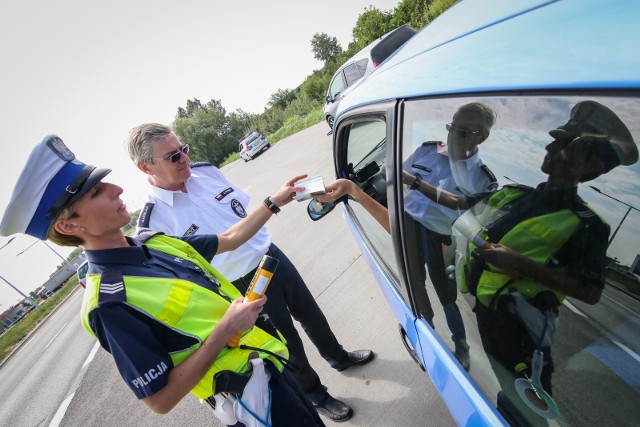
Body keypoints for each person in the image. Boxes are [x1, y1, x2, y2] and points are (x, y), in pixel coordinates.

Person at [0, 135, 324, 427]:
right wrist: (226, 328)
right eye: (97, 192)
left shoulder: (154, 242)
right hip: (250, 402)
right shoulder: (108, 303)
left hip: (272, 365)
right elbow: (160, 400)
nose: (117, 189)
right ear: (69, 227)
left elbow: (229, 237)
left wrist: (273, 201)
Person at [381, 100, 639, 422]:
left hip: (523, 336)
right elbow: (461, 202)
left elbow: (590, 291)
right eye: (554, 139)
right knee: (504, 398)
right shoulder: (515, 194)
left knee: (527, 411)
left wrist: (520, 264)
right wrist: (415, 182)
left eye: (562, 146)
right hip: (486, 318)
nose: (549, 145)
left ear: (590, 168)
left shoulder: (588, 223)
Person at [126, 123, 374, 422]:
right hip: (241, 282)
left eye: (184, 150)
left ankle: (338, 357)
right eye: (173, 157)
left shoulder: (206, 172)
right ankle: (316, 394)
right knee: (287, 344)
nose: (185, 159)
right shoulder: (154, 223)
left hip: (270, 255)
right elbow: (220, 245)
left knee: (311, 315)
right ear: (145, 167)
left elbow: (239, 215)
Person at [401, 102, 498, 370]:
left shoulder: (482, 179)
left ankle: (461, 346)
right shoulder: (426, 150)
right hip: (408, 225)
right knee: (414, 284)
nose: (452, 136)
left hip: (438, 236)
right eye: (452, 128)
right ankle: (426, 333)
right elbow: (396, 178)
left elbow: (459, 204)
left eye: (462, 131)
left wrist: (415, 182)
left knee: (446, 295)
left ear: (482, 136)